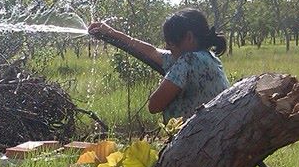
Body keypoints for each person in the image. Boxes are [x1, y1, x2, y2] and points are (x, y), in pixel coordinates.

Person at [87, 8, 229, 121]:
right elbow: (152, 51)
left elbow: (154, 105)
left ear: (189, 37)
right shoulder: (209, 58)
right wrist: (111, 32)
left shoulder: (188, 60)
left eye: (170, 42)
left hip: (195, 145)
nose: (167, 47)